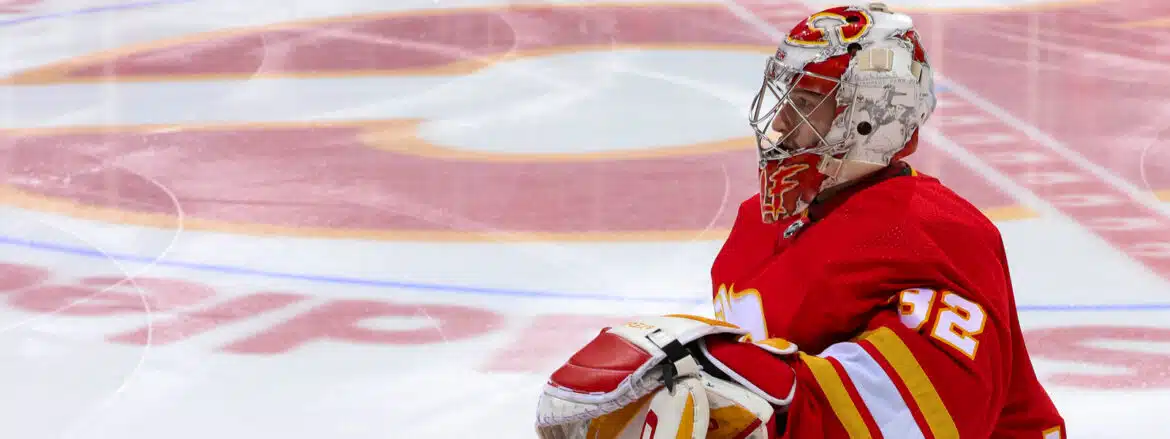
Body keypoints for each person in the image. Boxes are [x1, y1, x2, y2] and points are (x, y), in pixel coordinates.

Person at [533, 3, 1066, 438]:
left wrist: (729, 381)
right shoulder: (758, 223)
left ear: (868, 119)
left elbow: (926, 417)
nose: (783, 120)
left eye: (809, 102)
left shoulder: (935, 234)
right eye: (789, 96)